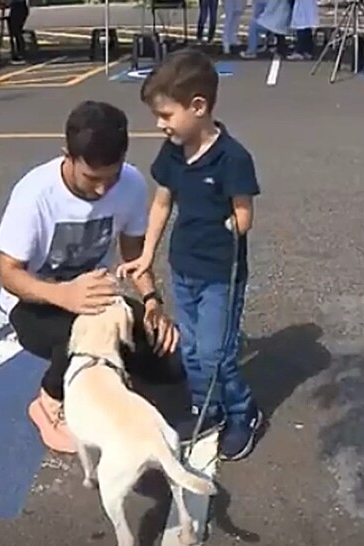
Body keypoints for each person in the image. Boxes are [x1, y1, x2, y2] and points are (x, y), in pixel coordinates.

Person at [0, 100, 181, 454]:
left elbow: (132, 256)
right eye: (92, 178)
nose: (101, 190)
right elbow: (8, 274)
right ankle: (47, 403)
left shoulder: (131, 184)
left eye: (111, 177)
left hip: (95, 296)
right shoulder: (35, 194)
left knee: (166, 365)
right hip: (34, 303)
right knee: (80, 336)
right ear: (68, 154)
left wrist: (153, 301)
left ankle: (108, 370)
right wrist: (63, 295)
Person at [117, 49, 263, 462]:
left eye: (166, 115)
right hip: (184, 269)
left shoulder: (233, 157)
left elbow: (244, 210)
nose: (161, 125)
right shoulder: (174, 154)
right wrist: (147, 257)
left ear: (198, 107)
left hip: (220, 274)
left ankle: (242, 411)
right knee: (193, 348)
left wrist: (237, 224)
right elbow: (162, 204)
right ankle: (206, 406)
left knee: (218, 352)